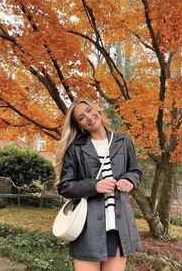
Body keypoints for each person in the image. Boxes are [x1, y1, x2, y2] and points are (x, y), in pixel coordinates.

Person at [56, 98, 142, 271]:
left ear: (97, 110)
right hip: (88, 230)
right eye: (81, 117)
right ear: (79, 125)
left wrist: (129, 180)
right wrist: (94, 186)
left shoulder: (123, 141)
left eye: (89, 110)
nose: (88, 117)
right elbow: (65, 186)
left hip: (118, 228)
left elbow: (135, 171)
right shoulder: (75, 148)